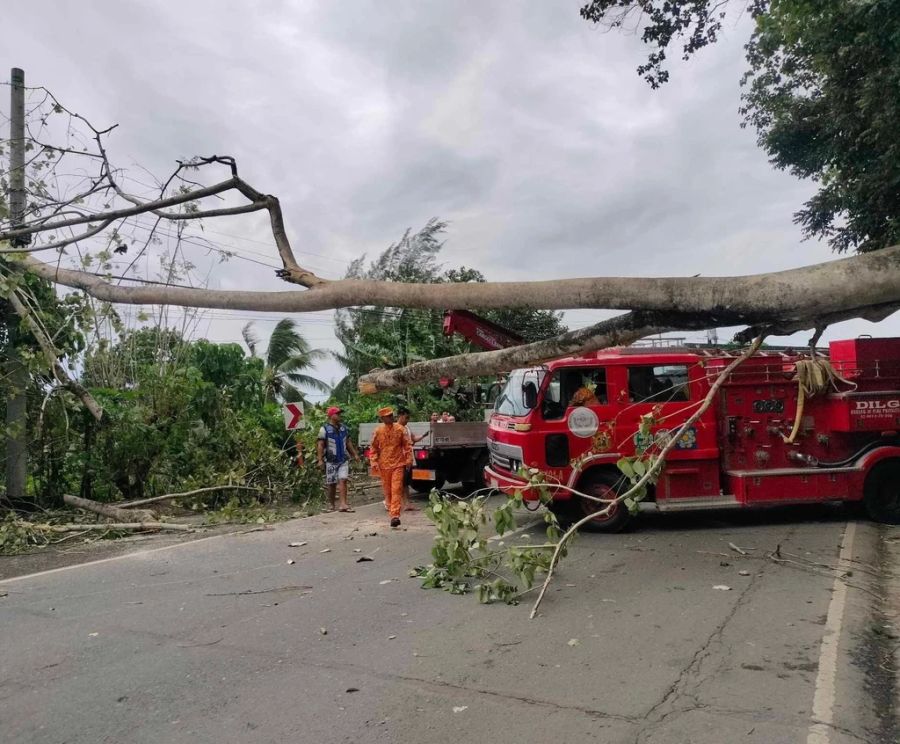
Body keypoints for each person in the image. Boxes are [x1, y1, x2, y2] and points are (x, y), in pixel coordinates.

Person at [369, 406, 413, 528]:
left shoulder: (400, 429)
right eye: (388, 415)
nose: (391, 417)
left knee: (396, 488)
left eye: (391, 415)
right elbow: (373, 448)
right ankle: (390, 509)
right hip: (384, 466)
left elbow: (407, 445)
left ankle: (395, 515)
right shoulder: (378, 431)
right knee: (387, 491)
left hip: (398, 464)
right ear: (382, 418)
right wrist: (373, 462)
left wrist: (409, 459)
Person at [316, 406, 360, 512]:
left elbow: (348, 442)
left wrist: (355, 454)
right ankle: (331, 505)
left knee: (343, 480)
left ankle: (343, 504)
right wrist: (320, 459)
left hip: (343, 459)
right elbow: (320, 445)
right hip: (331, 460)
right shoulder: (324, 429)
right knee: (331, 483)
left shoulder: (343, 428)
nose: (340, 416)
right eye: (337, 414)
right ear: (331, 416)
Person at [397, 407, 427, 512]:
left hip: (409, 458)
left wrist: (424, 435)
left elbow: (413, 439)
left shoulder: (407, 428)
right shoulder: (396, 429)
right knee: (402, 482)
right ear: (400, 416)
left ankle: (407, 503)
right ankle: (402, 502)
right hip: (401, 459)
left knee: (406, 482)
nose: (407, 420)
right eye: (406, 417)